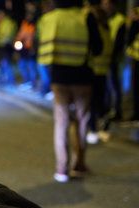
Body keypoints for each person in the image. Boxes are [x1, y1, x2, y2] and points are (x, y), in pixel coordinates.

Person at [38, 0, 103, 183]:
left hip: (59, 78)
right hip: (83, 77)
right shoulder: (86, 16)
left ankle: (62, 169)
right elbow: (98, 48)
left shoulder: (49, 18)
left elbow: (39, 47)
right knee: (82, 121)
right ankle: (79, 165)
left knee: (62, 122)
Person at [86, 0, 114, 144]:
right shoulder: (106, 27)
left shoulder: (96, 28)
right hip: (102, 69)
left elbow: (95, 49)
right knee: (99, 101)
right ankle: (100, 128)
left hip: (94, 69)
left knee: (93, 102)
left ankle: (94, 129)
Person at [103, 0, 127, 122]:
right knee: (107, 85)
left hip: (114, 58)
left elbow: (119, 42)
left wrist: (112, 56)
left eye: (107, 4)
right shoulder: (105, 19)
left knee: (114, 84)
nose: (105, 6)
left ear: (113, 5)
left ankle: (117, 111)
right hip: (104, 58)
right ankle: (106, 109)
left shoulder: (120, 20)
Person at [16, 5, 39, 90]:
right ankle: (27, 82)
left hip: (31, 49)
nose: (28, 16)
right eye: (27, 15)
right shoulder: (24, 23)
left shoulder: (35, 24)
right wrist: (17, 41)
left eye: (30, 15)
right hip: (23, 49)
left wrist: (34, 47)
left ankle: (33, 84)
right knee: (22, 65)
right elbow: (20, 34)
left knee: (31, 67)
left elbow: (35, 37)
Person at [0, 10, 18, 87]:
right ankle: (7, 81)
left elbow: (7, 36)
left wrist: (0, 40)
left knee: (6, 64)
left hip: (6, 46)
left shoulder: (7, 23)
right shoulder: (3, 23)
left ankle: (10, 82)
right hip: (4, 46)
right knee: (5, 64)